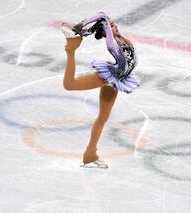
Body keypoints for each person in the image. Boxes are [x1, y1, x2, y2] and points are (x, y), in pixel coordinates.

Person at [60, 12, 140, 168]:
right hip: (108, 76)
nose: (115, 26)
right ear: (105, 32)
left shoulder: (121, 38)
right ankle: (70, 49)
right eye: (111, 26)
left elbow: (104, 18)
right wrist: (82, 25)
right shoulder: (112, 44)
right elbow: (102, 16)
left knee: (103, 117)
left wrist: (86, 29)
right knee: (70, 84)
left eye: (115, 24)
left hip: (117, 80)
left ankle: (90, 154)